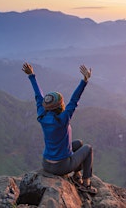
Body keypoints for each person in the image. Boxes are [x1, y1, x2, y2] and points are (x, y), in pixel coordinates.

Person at [22, 62, 97, 194]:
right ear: (61, 106)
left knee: (78, 143)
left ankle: (77, 175)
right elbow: (74, 99)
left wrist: (32, 76)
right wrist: (84, 81)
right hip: (61, 166)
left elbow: (38, 97)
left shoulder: (42, 116)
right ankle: (86, 184)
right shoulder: (63, 119)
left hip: (46, 163)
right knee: (88, 148)